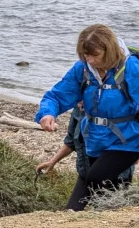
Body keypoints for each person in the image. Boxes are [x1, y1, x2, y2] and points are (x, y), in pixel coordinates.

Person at [35, 24, 139, 211]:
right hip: (95, 141)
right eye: (85, 55)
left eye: (94, 55)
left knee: (96, 177)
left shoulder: (131, 68)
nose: (90, 60)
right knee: (80, 203)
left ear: (109, 50)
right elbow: (57, 95)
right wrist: (48, 113)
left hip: (128, 140)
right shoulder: (82, 70)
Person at [36, 103, 134, 205]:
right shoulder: (77, 110)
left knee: (107, 210)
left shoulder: (114, 107)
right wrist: (52, 162)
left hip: (114, 176)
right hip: (86, 172)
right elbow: (70, 141)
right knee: (71, 210)